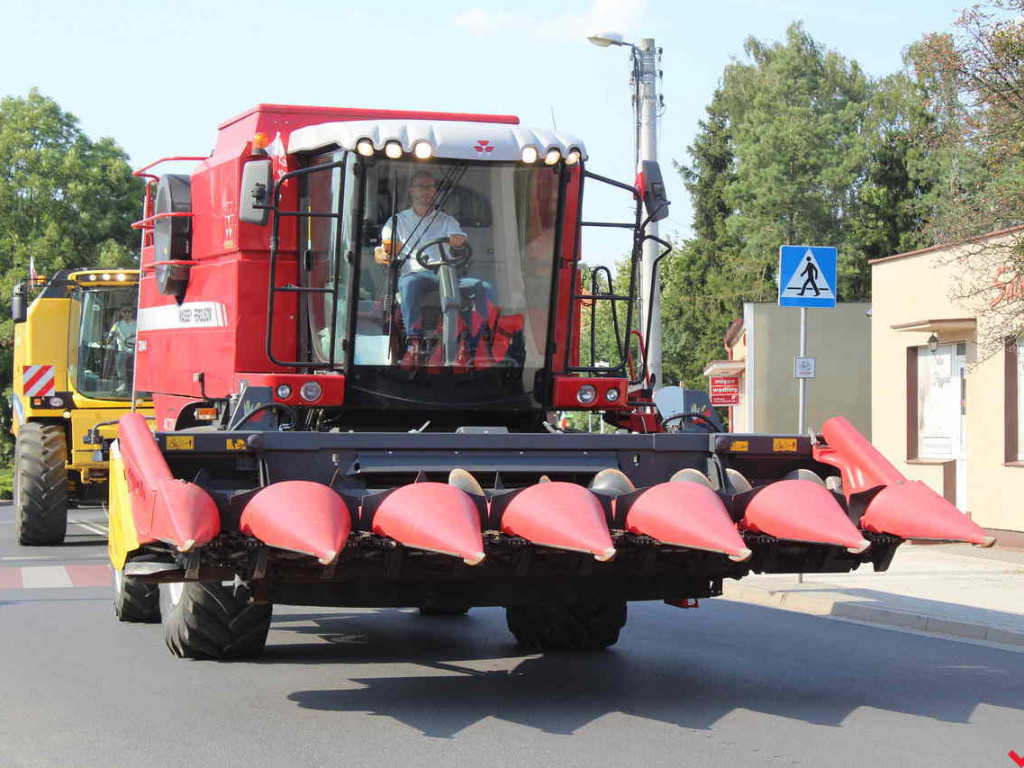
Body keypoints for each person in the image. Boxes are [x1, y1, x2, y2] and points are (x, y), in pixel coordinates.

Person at [375, 170, 493, 367]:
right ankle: (414, 342)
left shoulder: (447, 221)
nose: (426, 191)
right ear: (411, 191)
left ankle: (474, 342)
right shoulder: (397, 221)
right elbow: (386, 248)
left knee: (484, 288)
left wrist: (457, 241)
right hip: (416, 274)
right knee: (408, 284)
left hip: (447, 275)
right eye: (421, 187)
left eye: (430, 187)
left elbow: (458, 237)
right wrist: (383, 252)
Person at [107, 306, 136, 392]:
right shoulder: (117, 325)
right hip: (122, 351)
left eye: (129, 311)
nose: (127, 314)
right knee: (119, 359)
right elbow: (110, 337)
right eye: (125, 311)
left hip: (135, 351)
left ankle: (139, 385)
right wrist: (109, 340)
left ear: (132, 313)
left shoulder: (137, 324)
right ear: (121, 313)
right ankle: (123, 384)